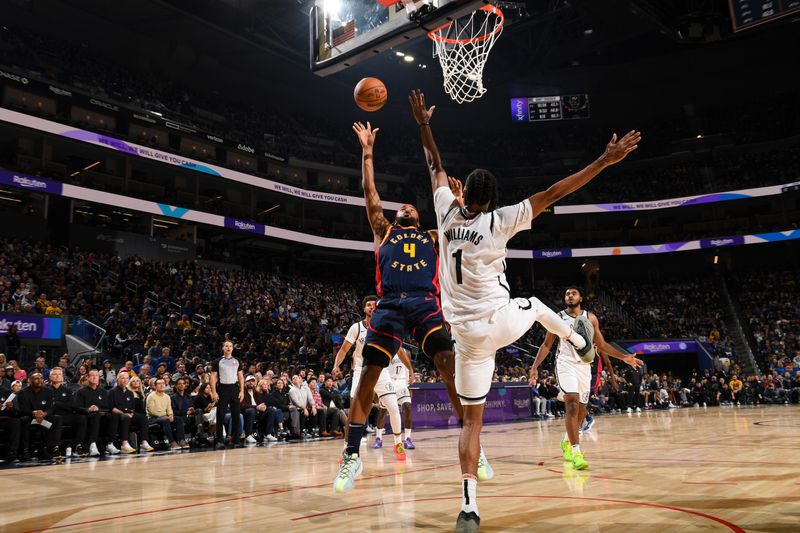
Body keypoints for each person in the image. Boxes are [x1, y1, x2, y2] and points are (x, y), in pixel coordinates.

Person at [408, 89, 640, 531]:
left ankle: (469, 507)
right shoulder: (500, 220)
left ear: (462, 196)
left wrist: (424, 123)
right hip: (499, 322)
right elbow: (555, 191)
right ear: (491, 200)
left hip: (465, 338)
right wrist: (603, 161)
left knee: (471, 424)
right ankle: (575, 337)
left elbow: (435, 165)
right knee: (533, 305)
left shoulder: (444, 214)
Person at [529, 287, 643, 470]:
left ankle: (566, 442)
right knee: (572, 403)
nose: (570, 296)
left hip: (584, 367)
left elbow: (602, 345)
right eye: (566, 294)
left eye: (573, 293)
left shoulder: (591, 318)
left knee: (582, 412)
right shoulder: (557, 318)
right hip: (565, 364)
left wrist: (624, 357)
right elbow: (547, 344)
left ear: (581, 297)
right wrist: (534, 367)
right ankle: (576, 453)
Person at [332, 296, 405, 459]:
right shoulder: (356, 328)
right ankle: (347, 448)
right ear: (364, 309)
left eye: (374, 304)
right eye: (368, 305)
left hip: (381, 370)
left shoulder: (385, 327)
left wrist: (411, 370)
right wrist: (336, 365)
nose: (372, 307)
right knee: (353, 411)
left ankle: (398, 443)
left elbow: (399, 350)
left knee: (393, 408)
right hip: (360, 370)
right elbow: (344, 350)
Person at [17, 372, 62, 461]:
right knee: (24, 419)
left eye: (41, 378)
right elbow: (22, 409)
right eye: (37, 378)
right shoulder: (23, 392)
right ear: (30, 381)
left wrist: (44, 414)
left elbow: (51, 408)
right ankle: (25, 450)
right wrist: (34, 413)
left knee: (56, 418)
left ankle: (46, 448)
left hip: (43, 419)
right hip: (30, 418)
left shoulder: (48, 391)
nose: (40, 380)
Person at [76, 369, 121, 456]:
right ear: (88, 378)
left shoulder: (103, 392)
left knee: (114, 416)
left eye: (96, 375)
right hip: (88, 416)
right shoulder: (81, 392)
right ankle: (92, 445)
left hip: (101, 414)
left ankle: (110, 444)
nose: (94, 377)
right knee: (95, 415)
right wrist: (89, 409)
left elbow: (107, 407)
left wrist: (100, 411)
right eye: (92, 375)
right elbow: (78, 407)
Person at [210, 340, 244, 449]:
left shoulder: (237, 360)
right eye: (226, 346)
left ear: (233, 348)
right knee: (220, 415)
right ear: (223, 348)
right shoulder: (218, 361)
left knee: (236, 415)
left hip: (234, 388)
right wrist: (214, 392)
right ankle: (219, 440)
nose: (228, 347)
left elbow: (241, 377)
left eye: (230, 346)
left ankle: (235, 440)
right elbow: (213, 377)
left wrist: (242, 391)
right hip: (222, 388)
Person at [48, 367, 89, 457]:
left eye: (59, 374)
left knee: (81, 418)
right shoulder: (46, 390)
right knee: (57, 419)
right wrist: (64, 405)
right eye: (55, 374)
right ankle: (55, 448)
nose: (57, 376)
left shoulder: (67, 390)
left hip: (66, 415)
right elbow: (49, 407)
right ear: (50, 377)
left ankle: (78, 445)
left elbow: (72, 406)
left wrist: (57, 404)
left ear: (62, 377)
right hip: (52, 416)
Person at [109, 370, 153, 453]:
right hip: (117, 415)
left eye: (127, 378)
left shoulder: (130, 393)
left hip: (129, 414)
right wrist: (124, 413)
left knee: (143, 418)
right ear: (118, 379)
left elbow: (132, 408)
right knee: (125, 417)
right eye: (122, 378)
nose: (125, 380)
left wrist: (131, 413)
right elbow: (112, 408)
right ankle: (124, 444)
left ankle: (143, 442)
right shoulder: (112, 392)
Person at [146, 378, 187, 450]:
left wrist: (171, 415)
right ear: (155, 386)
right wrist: (166, 416)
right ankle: (172, 442)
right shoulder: (151, 396)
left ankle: (181, 440)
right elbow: (152, 411)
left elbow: (169, 409)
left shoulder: (167, 397)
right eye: (159, 384)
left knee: (179, 419)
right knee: (165, 420)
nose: (161, 385)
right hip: (153, 418)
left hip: (164, 417)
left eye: (163, 383)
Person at [388, 347, 415, 448]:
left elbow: (408, 368)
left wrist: (408, 385)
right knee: (383, 411)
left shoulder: (406, 352)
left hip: (401, 382)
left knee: (408, 406)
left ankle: (408, 438)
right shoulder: (387, 347)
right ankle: (378, 437)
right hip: (389, 381)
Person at [0, 382, 21, 462]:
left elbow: (16, 412)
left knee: (16, 422)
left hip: (4, 419)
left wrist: (10, 408)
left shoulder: (7, 392)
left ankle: (13, 453)